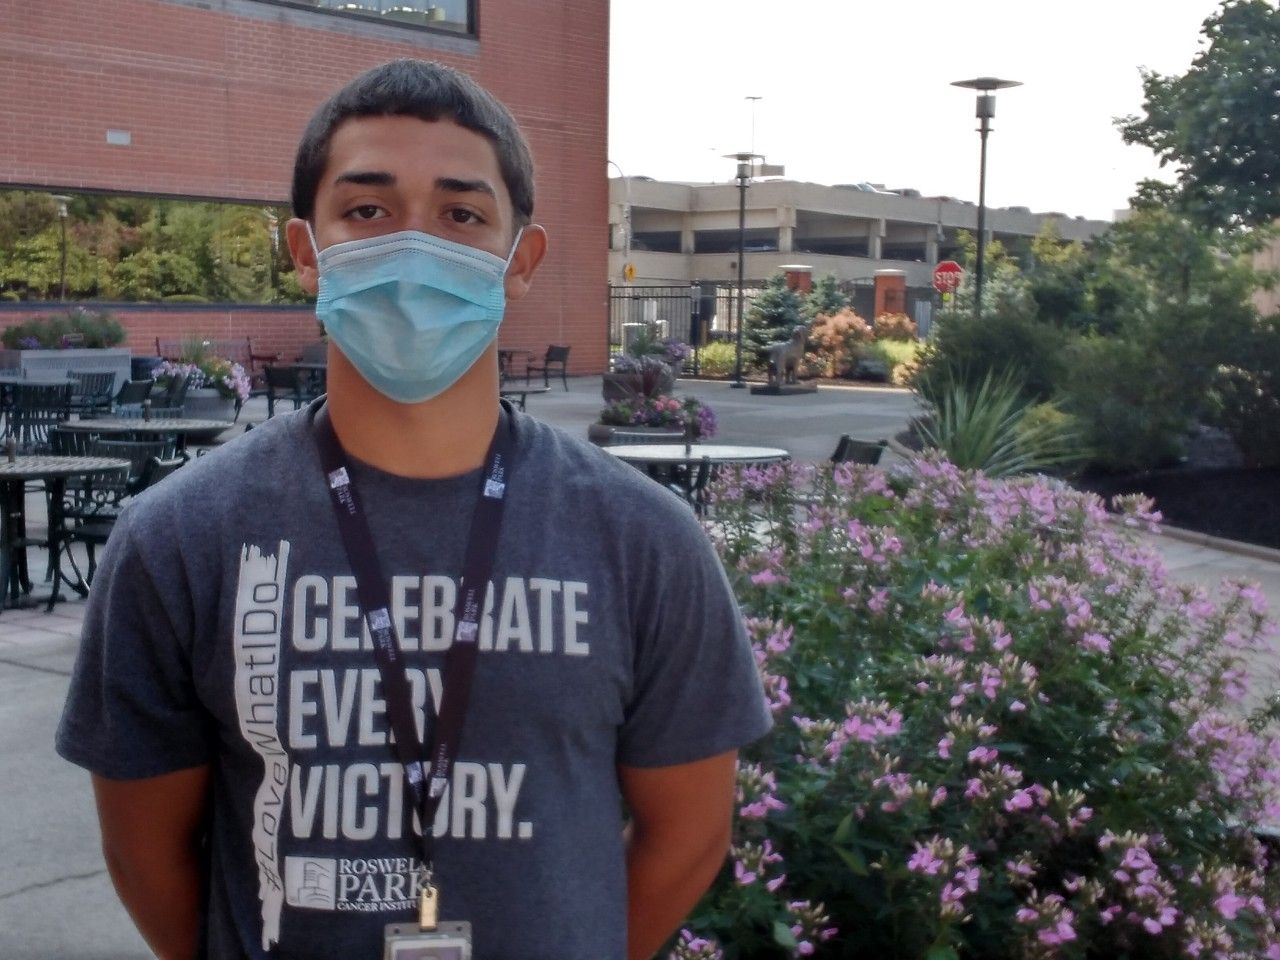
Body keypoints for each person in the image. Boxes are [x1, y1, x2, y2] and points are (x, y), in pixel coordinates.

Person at [56, 59, 770, 960]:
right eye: (367, 210)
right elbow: (146, 851)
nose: (412, 247)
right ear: (306, 252)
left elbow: (691, 834)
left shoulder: (642, 541)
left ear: (521, 261)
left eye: (462, 215)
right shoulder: (179, 539)